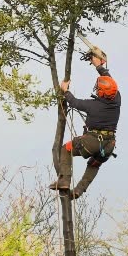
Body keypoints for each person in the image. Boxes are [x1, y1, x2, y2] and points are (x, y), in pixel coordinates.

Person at [49, 48, 120, 198]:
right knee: (94, 164)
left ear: (100, 92)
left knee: (66, 149)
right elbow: (109, 78)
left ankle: (64, 180)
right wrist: (99, 65)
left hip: (92, 141)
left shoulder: (92, 106)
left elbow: (73, 102)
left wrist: (65, 90)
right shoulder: (116, 99)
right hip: (108, 145)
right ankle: (79, 189)